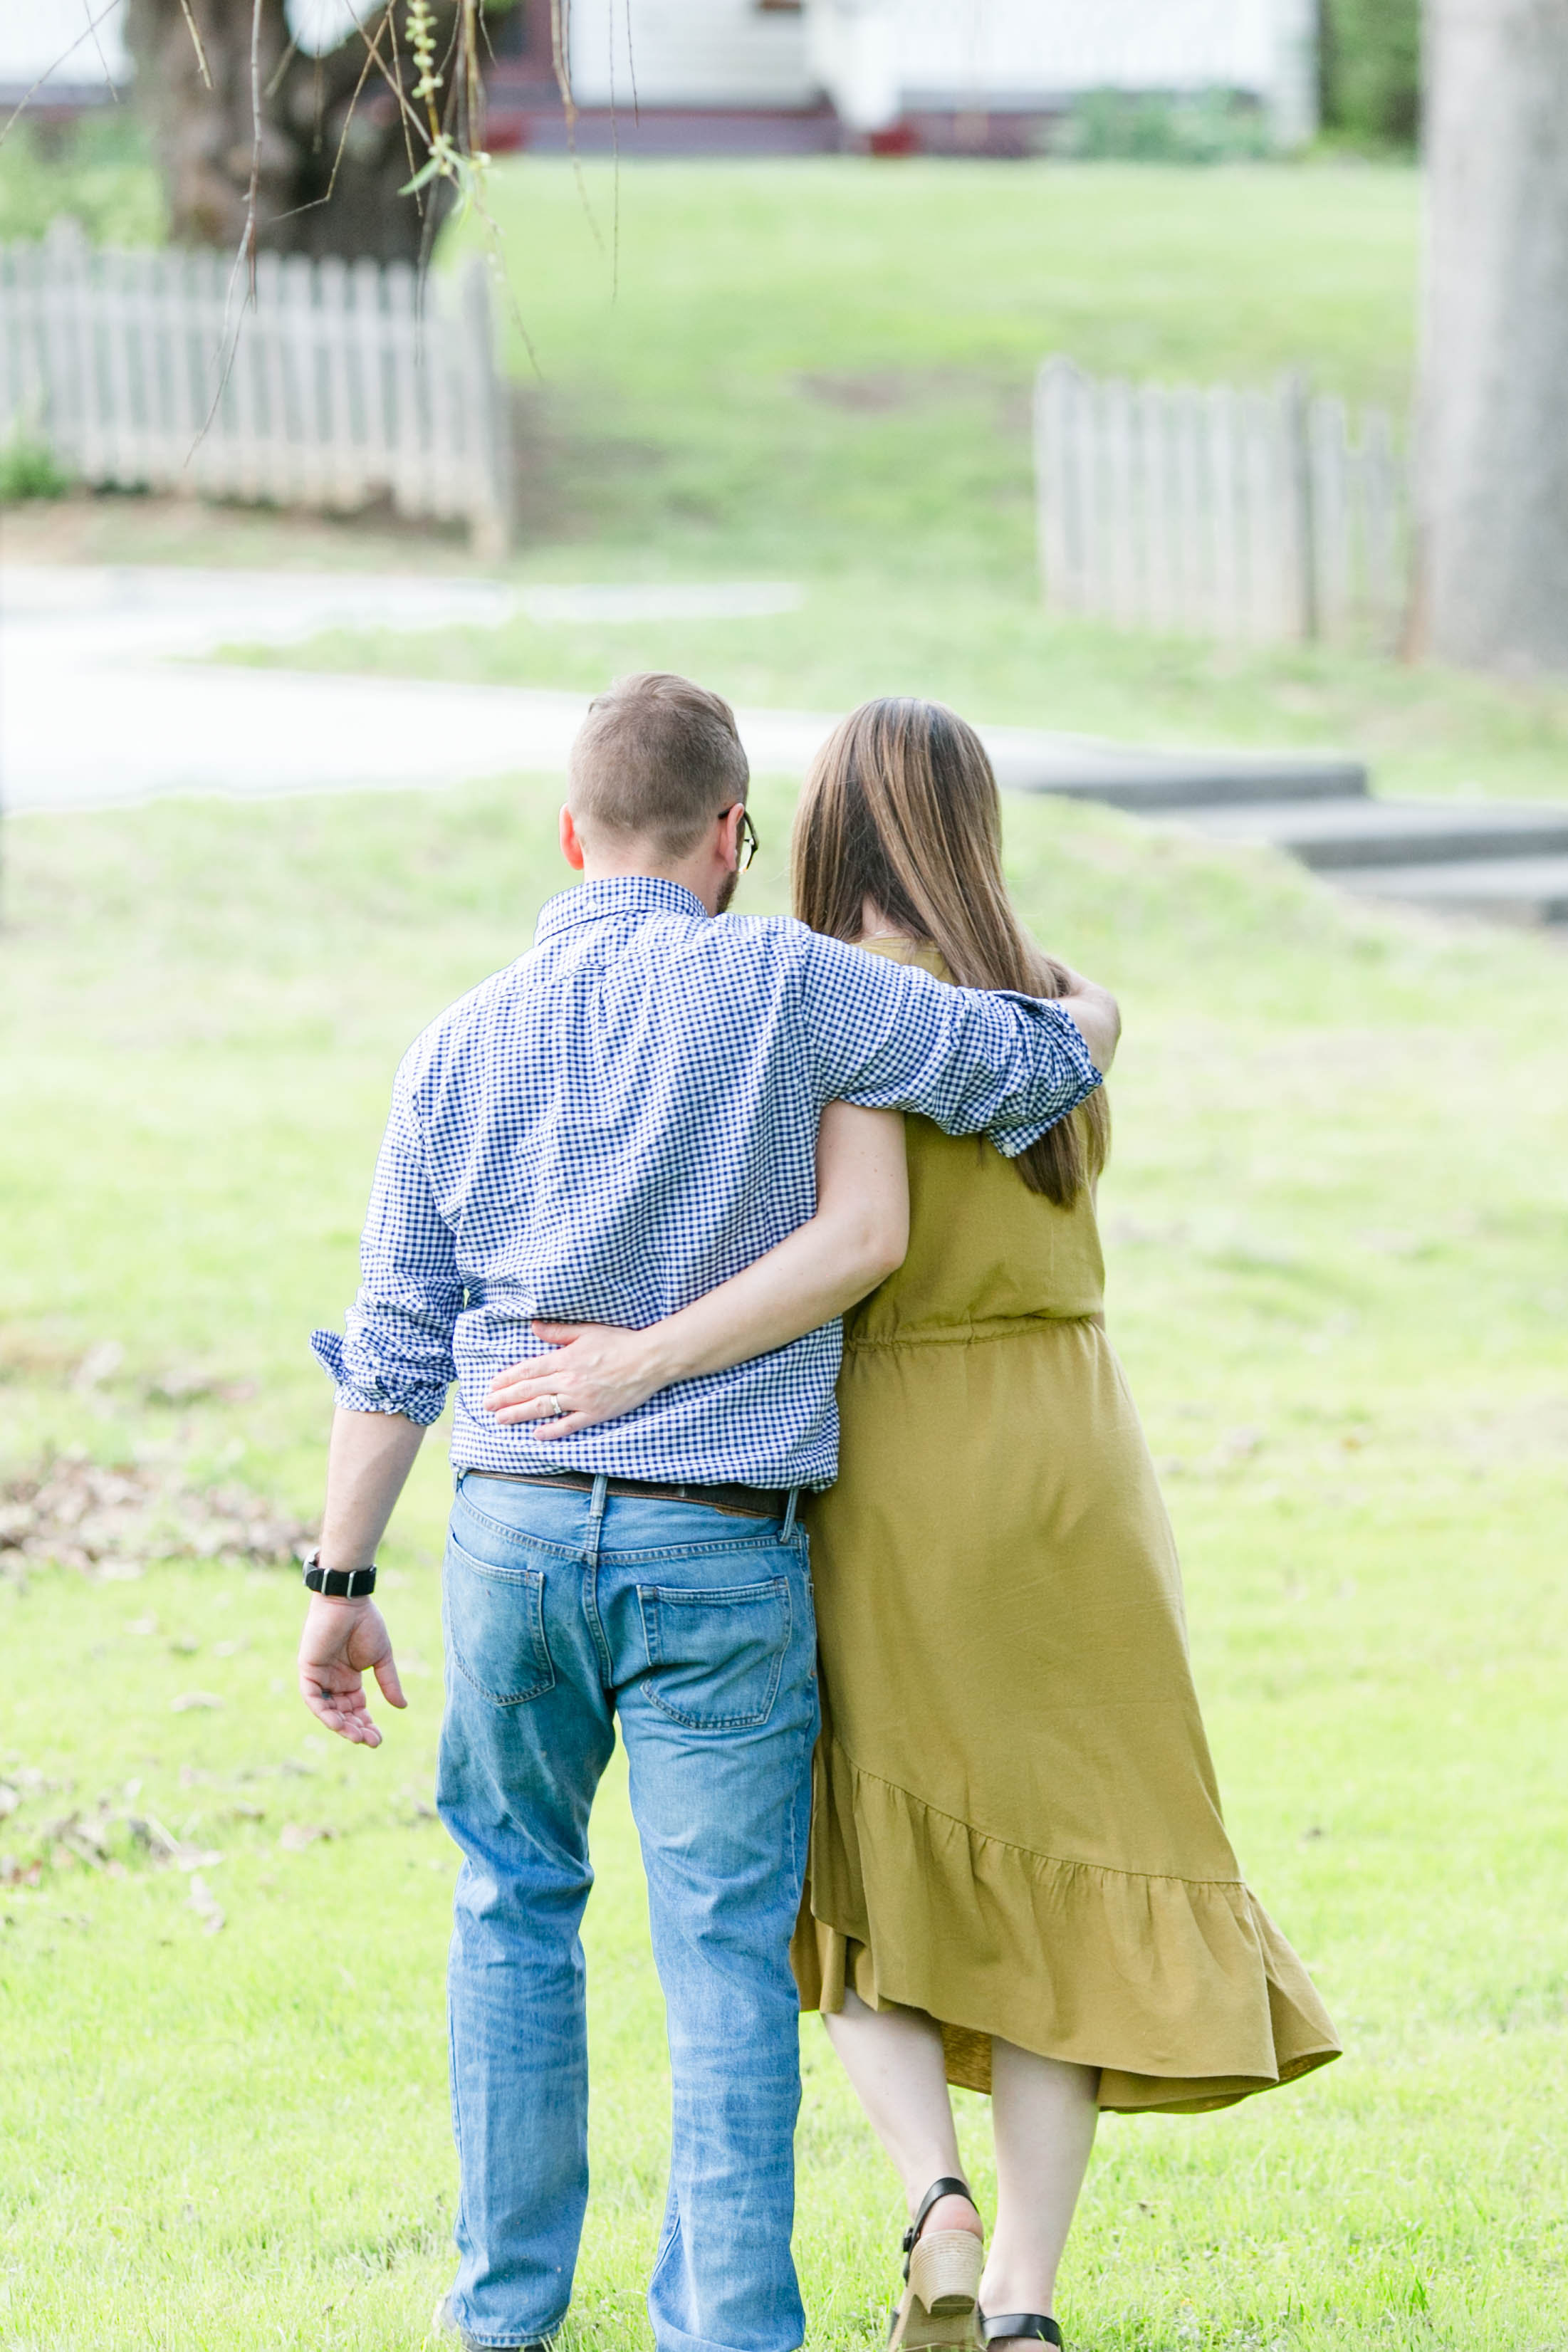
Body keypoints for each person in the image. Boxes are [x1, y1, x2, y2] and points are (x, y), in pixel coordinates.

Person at [484, 698, 1339, 2352]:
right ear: (973, 819)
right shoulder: (1047, 1013)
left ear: (824, 828)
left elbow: (850, 1239)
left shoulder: (830, 1007)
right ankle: (1020, 2300)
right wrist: (1094, 1002)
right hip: (1077, 1455)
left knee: (861, 1856)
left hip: (894, 1456)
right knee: (1068, 1870)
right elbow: (1085, 1040)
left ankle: (930, 2196)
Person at [296, 673, 1116, 2352]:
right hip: (716, 1539)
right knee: (728, 1949)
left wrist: (340, 1573)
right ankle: (731, 2327)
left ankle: (501, 2310)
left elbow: (391, 1341)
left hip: (513, 1534)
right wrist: (1098, 1013)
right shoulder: (791, 987)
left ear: (574, 832)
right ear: (736, 835)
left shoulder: (454, 1041)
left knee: (509, 1906)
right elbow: (1024, 1062)